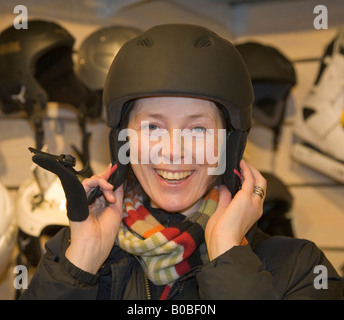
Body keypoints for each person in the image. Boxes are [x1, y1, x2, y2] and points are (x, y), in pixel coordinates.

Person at [21, 24, 344, 300]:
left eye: (198, 128)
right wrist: (81, 264)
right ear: (123, 141)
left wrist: (229, 256)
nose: (173, 151)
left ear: (230, 143)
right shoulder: (70, 249)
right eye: (152, 127)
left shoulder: (298, 266)